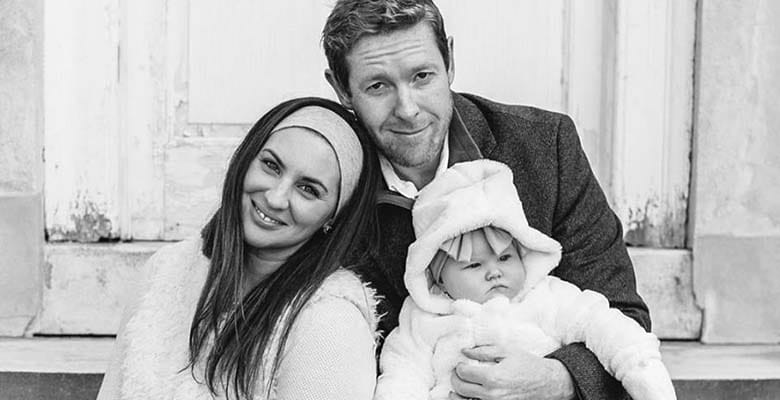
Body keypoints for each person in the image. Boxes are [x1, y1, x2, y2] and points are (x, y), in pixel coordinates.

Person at [321, 1, 651, 399]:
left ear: (450, 61)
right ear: (342, 90)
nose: (407, 109)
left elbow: (622, 315)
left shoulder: (545, 145)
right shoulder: (323, 176)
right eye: (378, 86)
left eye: (422, 76)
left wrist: (558, 379)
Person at [97, 97, 381, 400]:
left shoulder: (330, 323)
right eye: (271, 165)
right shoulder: (165, 271)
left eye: (308, 189)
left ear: (333, 218)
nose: (275, 198)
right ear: (246, 159)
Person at [374, 160, 676, 400]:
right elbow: (403, 373)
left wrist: (639, 368)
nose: (494, 272)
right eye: (475, 265)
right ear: (438, 278)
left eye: (505, 258)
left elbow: (605, 326)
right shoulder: (423, 319)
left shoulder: (547, 298)